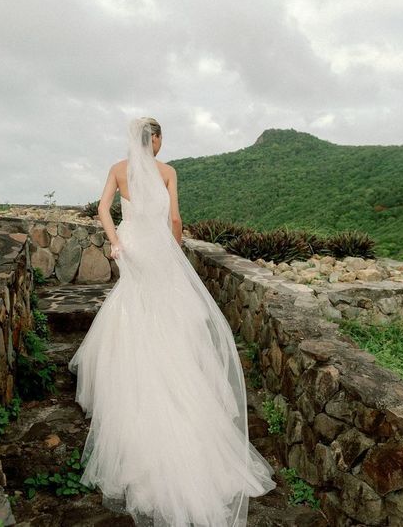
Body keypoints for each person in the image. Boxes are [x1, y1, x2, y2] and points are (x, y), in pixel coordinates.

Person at [68, 117, 276, 526]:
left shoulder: (118, 170)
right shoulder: (168, 172)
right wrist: (176, 251)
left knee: (134, 307)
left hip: (132, 246)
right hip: (160, 250)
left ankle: (132, 381)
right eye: (160, 138)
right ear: (157, 139)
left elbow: (102, 209)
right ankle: (176, 379)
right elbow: (176, 220)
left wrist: (115, 242)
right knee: (170, 314)